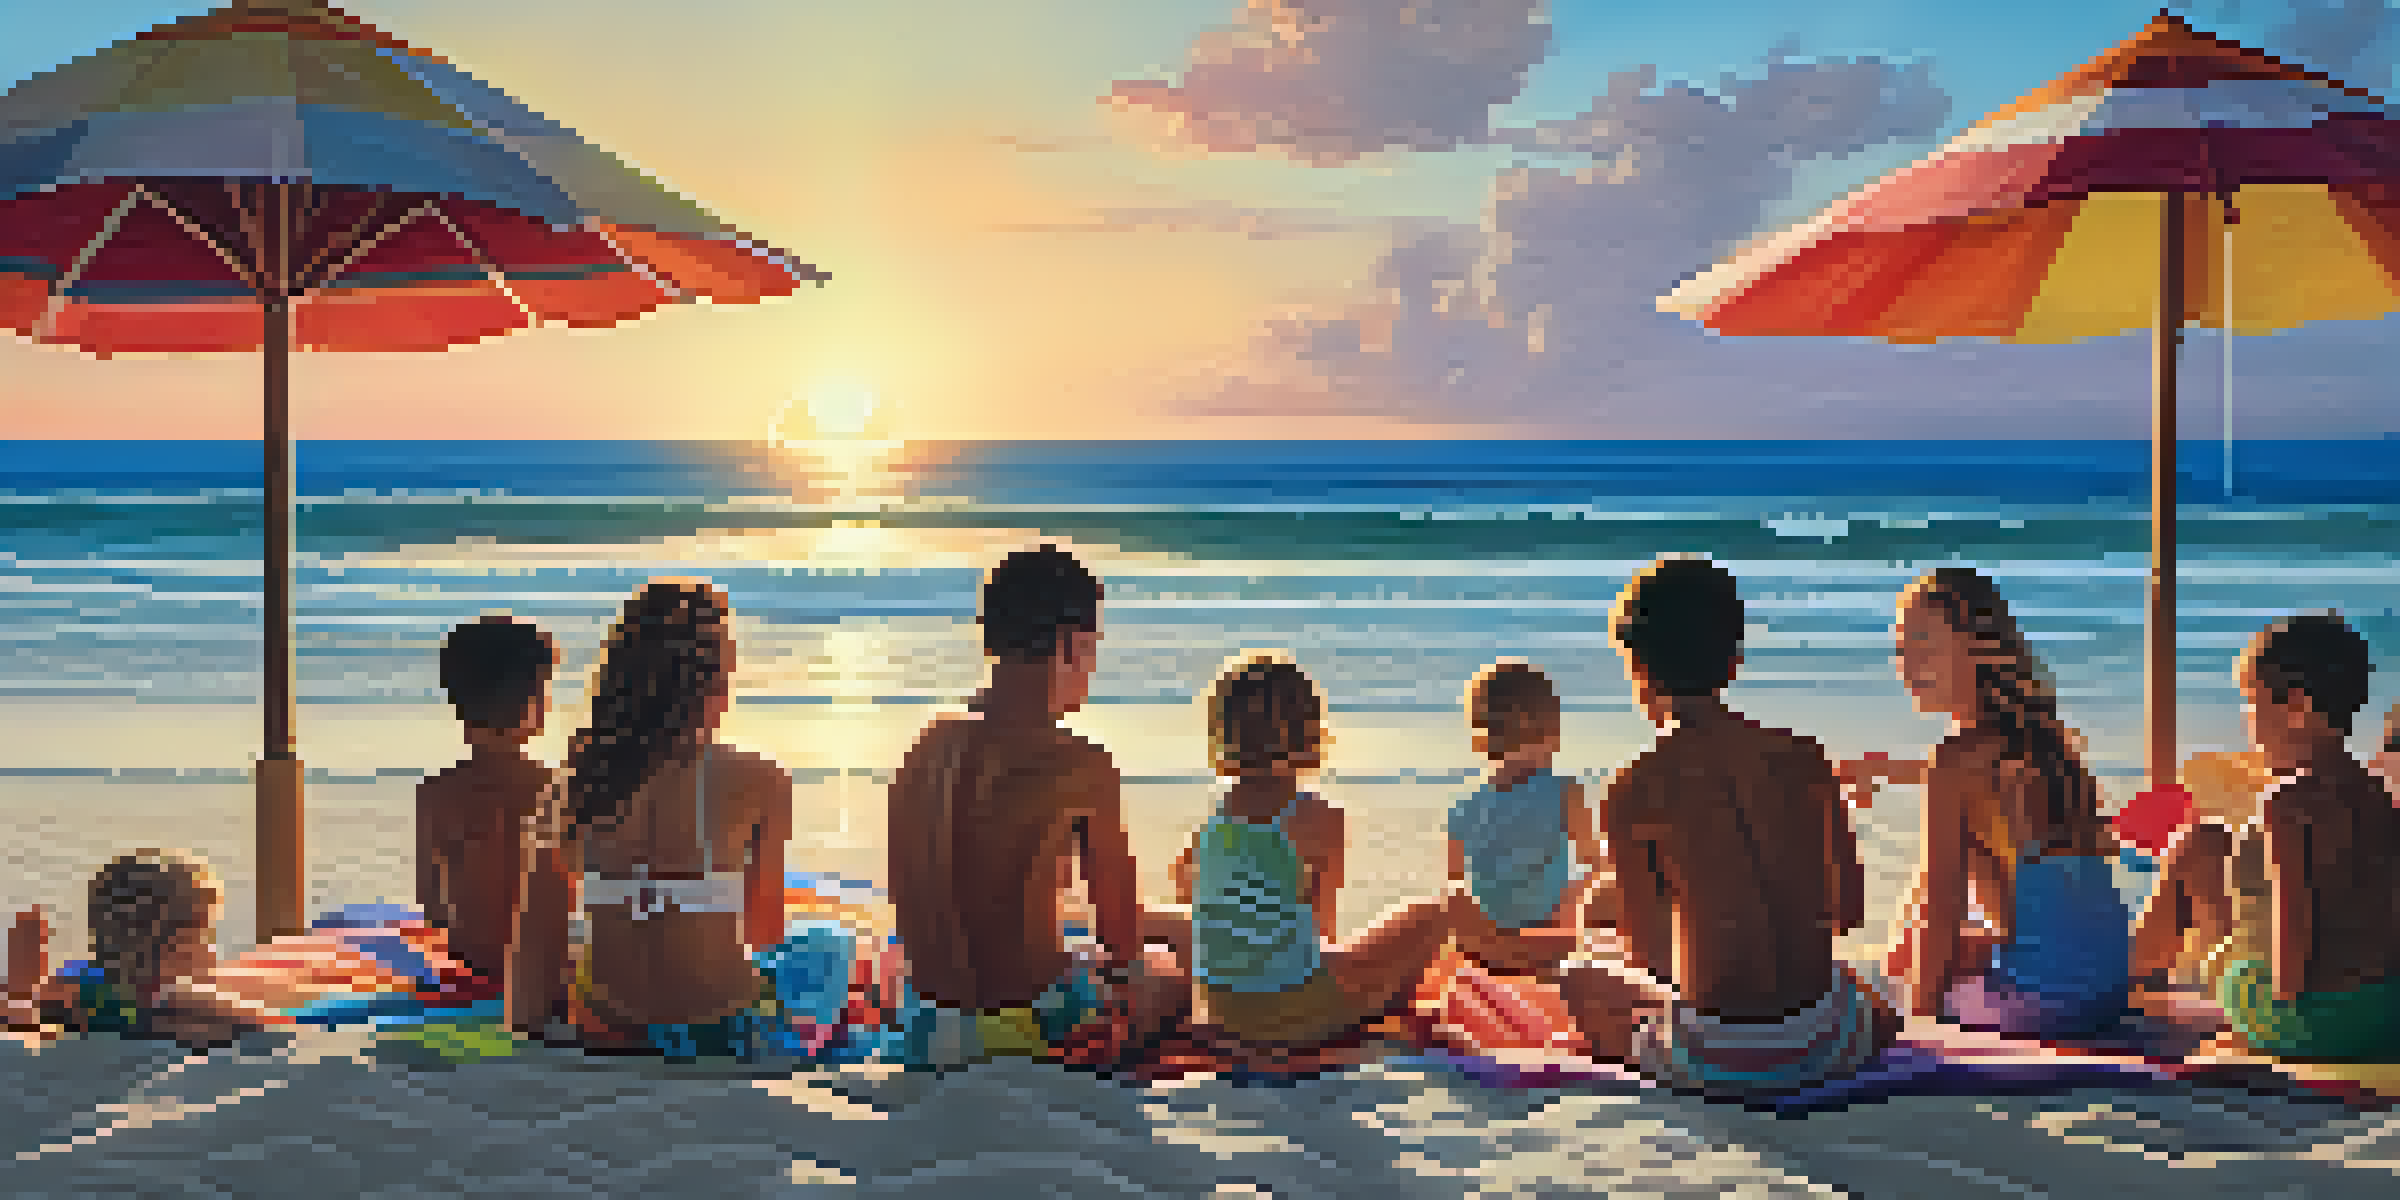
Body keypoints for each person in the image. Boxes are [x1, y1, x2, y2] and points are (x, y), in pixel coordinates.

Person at [1556, 556, 1895, 1099]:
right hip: (1834, 1044)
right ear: (1734, 660)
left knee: (1580, 975)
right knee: (1868, 985)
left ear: (1636, 666)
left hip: (1718, 1057)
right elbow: (1847, 913)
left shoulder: (1632, 788)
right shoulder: (1806, 759)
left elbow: (1651, 957)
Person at [885, 546, 1187, 1067]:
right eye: (1091, 650)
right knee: (1170, 974)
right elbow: (1119, 941)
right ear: (1070, 644)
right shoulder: (1080, 764)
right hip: (1028, 1030)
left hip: (926, 1026)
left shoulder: (925, 745)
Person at [506, 579, 796, 1058]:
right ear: (717, 680)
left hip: (610, 1029)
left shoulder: (571, 786)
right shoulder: (759, 781)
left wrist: (533, 1033)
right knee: (825, 955)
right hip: (717, 1029)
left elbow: (534, 946)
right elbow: (765, 932)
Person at [1837, 568, 2130, 1038]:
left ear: (1979, 649)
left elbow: (1941, 905)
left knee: (1905, 956)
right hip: (2108, 993)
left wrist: (1919, 1023)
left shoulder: (1954, 760)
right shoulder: (2048, 745)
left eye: (1925, 649)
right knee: (1943, 938)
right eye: (1901, 650)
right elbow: (1982, 784)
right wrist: (1892, 771)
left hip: (2042, 1006)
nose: (1909, 667)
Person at [2131, 613, 2400, 1060]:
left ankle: (2133, 981)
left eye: (2252, 703)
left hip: (2313, 1023)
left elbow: (2294, 924)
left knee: (2196, 851)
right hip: (2380, 1013)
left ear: (2297, 707)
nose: (2248, 722)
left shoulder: (2287, 800)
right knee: (2213, 852)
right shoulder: (2375, 793)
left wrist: (2277, 1008)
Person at [1170, 653, 1457, 1051]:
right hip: (1296, 1016)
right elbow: (1321, 928)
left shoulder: (1218, 817)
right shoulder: (1317, 816)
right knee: (1433, 916)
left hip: (1223, 1008)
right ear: (1309, 733)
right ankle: (1380, 1008)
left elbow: (1186, 882)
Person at [3, 850, 450, 1050]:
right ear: (180, 942)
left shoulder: (87, 986)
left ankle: (23, 988)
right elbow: (262, 1027)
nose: (213, 948)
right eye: (208, 934)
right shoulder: (180, 997)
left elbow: (48, 1013)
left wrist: (26, 999)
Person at [417, 614, 559, 993]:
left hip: (470, 967)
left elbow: (432, 904)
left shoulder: (436, 792)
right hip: (542, 969)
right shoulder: (555, 788)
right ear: (533, 705)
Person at [1445, 660, 1612, 981]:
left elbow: (1456, 883)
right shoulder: (1565, 791)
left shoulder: (1464, 807)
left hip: (1485, 946)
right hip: (1548, 942)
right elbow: (1593, 862)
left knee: (1454, 896)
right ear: (1552, 730)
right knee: (1609, 883)